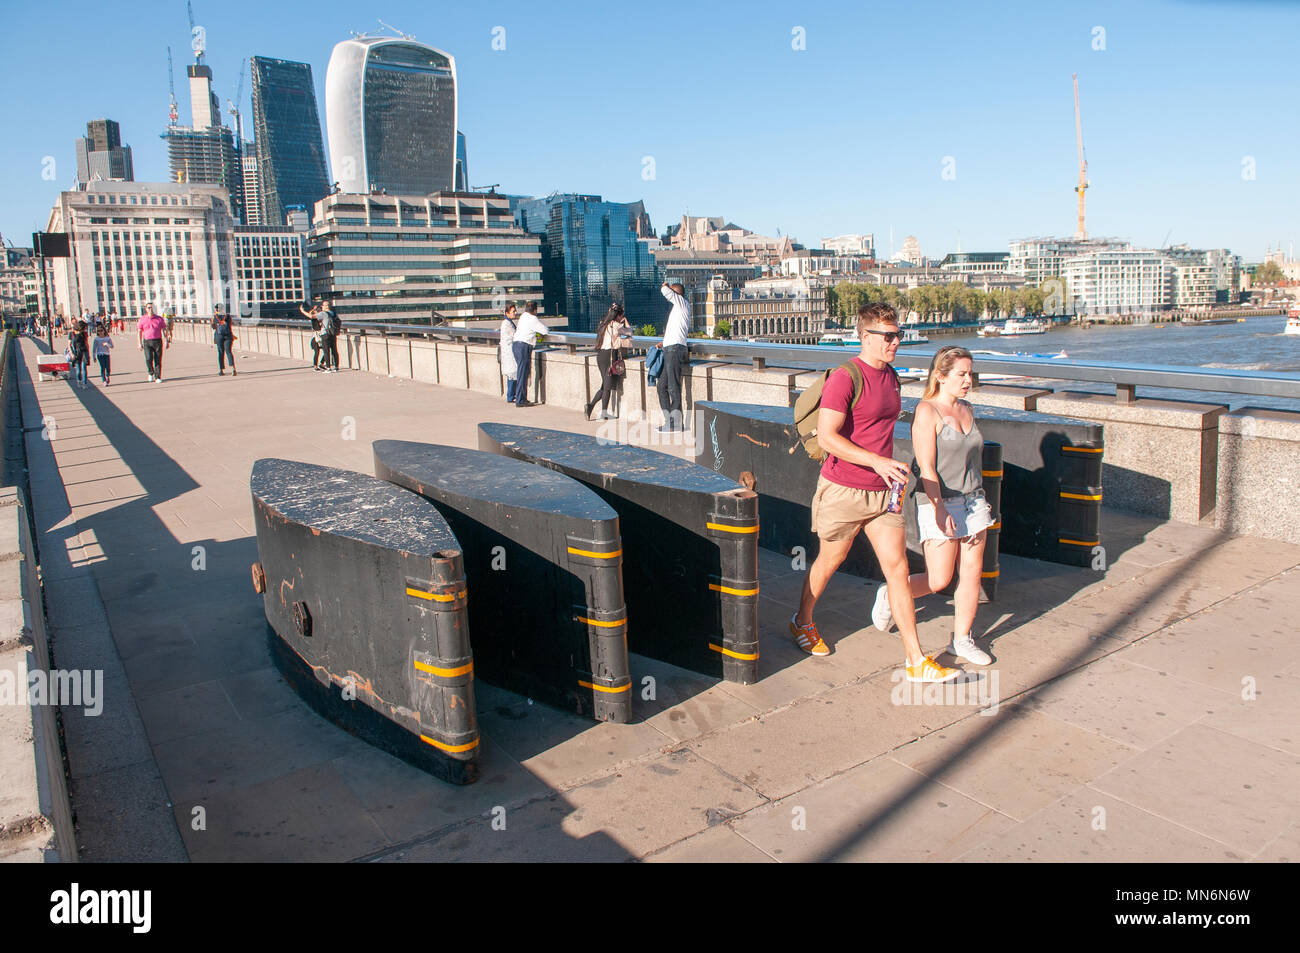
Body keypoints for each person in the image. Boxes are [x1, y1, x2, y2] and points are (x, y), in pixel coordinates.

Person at [789, 302, 960, 683]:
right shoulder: (846, 378)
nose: (895, 342)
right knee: (830, 560)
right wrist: (876, 461)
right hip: (844, 489)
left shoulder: (893, 377)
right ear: (864, 336)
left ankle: (916, 660)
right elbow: (829, 437)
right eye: (887, 336)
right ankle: (802, 621)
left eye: (897, 334)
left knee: (898, 569)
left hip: (885, 494)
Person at [871, 347, 993, 665]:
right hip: (939, 501)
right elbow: (926, 468)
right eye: (961, 374)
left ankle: (962, 640)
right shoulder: (927, 412)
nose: (968, 380)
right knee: (939, 580)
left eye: (971, 373)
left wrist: (978, 498)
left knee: (972, 572)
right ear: (941, 375)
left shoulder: (967, 408)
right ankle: (891, 594)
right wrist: (939, 508)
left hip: (973, 500)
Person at [586, 303, 631, 420]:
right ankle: (603, 413)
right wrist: (625, 321)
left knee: (605, 384)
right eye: (621, 316)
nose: (622, 318)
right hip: (610, 356)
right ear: (618, 316)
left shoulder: (603, 323)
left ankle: (591, 407)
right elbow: (629, 332)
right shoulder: (615, 325)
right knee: (607, 386)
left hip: (601, 355)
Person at [656, 281, 690, 432]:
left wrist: (665, 286)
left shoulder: (682, 303)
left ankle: (675, 424)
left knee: (673, 388)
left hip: (675, 350)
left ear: (677, 294)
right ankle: (669, 421)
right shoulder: (678, 309)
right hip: (670, 348)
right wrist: (664, 342)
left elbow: (666, 292)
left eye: (672, 293)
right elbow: (676, 330)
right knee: (661, 386)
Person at [511, 301, 546, 407]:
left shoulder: (523, 316)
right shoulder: (533, 318)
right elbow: (545, 330)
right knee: (522, 373)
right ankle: (520, 400)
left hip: (516, 345)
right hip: (524, 346)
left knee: (522, 372)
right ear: (535, 310)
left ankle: (522, 398)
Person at [138, 303, 168, 382]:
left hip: (157, 340)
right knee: (148, 358)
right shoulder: (142, 319)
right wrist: (139, 343)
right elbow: (139, 331)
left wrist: (166, 340)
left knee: (158, 359)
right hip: (147, 341)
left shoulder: (159, 319)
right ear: (146, 309)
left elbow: (164, 329)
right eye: (149, 307)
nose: (150, 309)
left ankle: (157, 377)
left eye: (152, 307)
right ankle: (151, 373)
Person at [499, 303, 519, 402]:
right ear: (507, 313)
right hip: (509, 353)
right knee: (512, 375)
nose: (515, 313)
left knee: (512, 375)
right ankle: (511, 396)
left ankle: (511, 395)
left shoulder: (509, 323)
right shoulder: (506, 324)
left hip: (510, 352)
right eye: (513, 311)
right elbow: (514, 336)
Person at [212, 306, 236, 376]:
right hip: (228, 335)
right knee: (229, 352)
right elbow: (230, 325)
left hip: (219, 336)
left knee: (221, 352)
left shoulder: (215, 317)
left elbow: (213, 327)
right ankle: (233, 369)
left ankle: (221, 370)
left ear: (216, 309)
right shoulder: (228, 316)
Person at [317, 299, 340, 372]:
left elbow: (312, 316)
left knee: (326, 351)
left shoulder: (323, 313)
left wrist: (303, 311)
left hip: (325, 334)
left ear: (323, 306)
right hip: (333, 333)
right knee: (334, 350)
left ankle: (328, 368)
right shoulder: (334, 313)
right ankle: (336, 367)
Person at [67, 319, 90, 389]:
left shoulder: (84, 333)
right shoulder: (72, 334)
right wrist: (71, 353)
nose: (84, 330)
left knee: (84, 368)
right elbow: (69, 344)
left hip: (84, 351)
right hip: (76, 352)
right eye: (84, 328)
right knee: (78, 369)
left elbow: (86, 343)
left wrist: (88, 353)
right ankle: (79, 380)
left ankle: (85, 383)